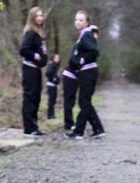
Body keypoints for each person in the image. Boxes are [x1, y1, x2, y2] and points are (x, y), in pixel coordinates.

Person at [66, 11, 105, 139]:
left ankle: (79, 131)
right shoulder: (83, 35)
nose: (77, 22)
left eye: (81, 20)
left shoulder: (86, 35)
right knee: (85, 101)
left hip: (89, 71)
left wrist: (82, 60)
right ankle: (98, 129)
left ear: (87, 22)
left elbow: (94, 50)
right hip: (85, 72)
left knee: (84, 101)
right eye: (76, 19)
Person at [19, 6, 47, 136]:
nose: (40, 18)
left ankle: (34, 126)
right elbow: (23, 50)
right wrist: (35, 56)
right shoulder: (30, 33)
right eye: (38, 16)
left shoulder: (39, 33)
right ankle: (29, 127)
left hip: (36, 70)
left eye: (41, 15)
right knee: (30, 97)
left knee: (36, 97)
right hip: (29, 69)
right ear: (32, 18)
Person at [45, 54, 61, 119]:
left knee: (53, 100)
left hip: (54, 85)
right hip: (51, 85)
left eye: (58, 58)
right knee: (51, 101)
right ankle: (50, 115)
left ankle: (52, 114)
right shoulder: (51, 65)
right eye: (56, 58)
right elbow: (48, 73)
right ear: (53, 58)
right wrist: (54, 78)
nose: (57, 59)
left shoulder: (55, 66)